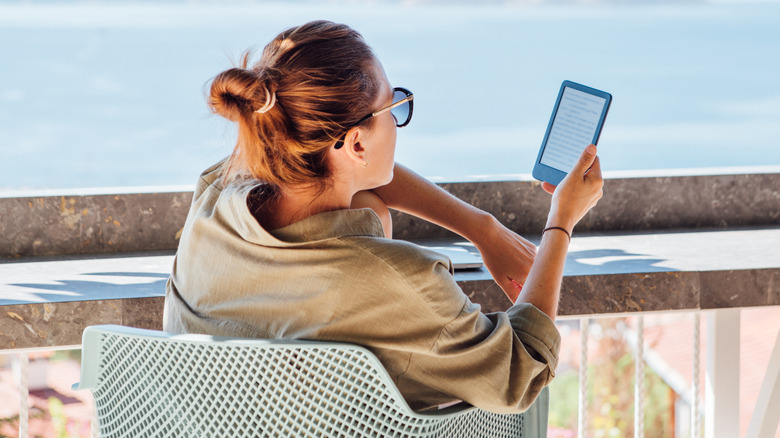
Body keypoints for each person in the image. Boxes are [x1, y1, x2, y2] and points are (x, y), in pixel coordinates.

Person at [163, 20, 603, 413]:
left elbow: (350, 173)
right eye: (393, 108)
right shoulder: (394, 280)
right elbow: (520, 374)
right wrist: (561, 221)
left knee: (367, 205)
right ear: (356, 144)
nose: (397, 118)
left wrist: (482, 229)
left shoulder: (215, 198)